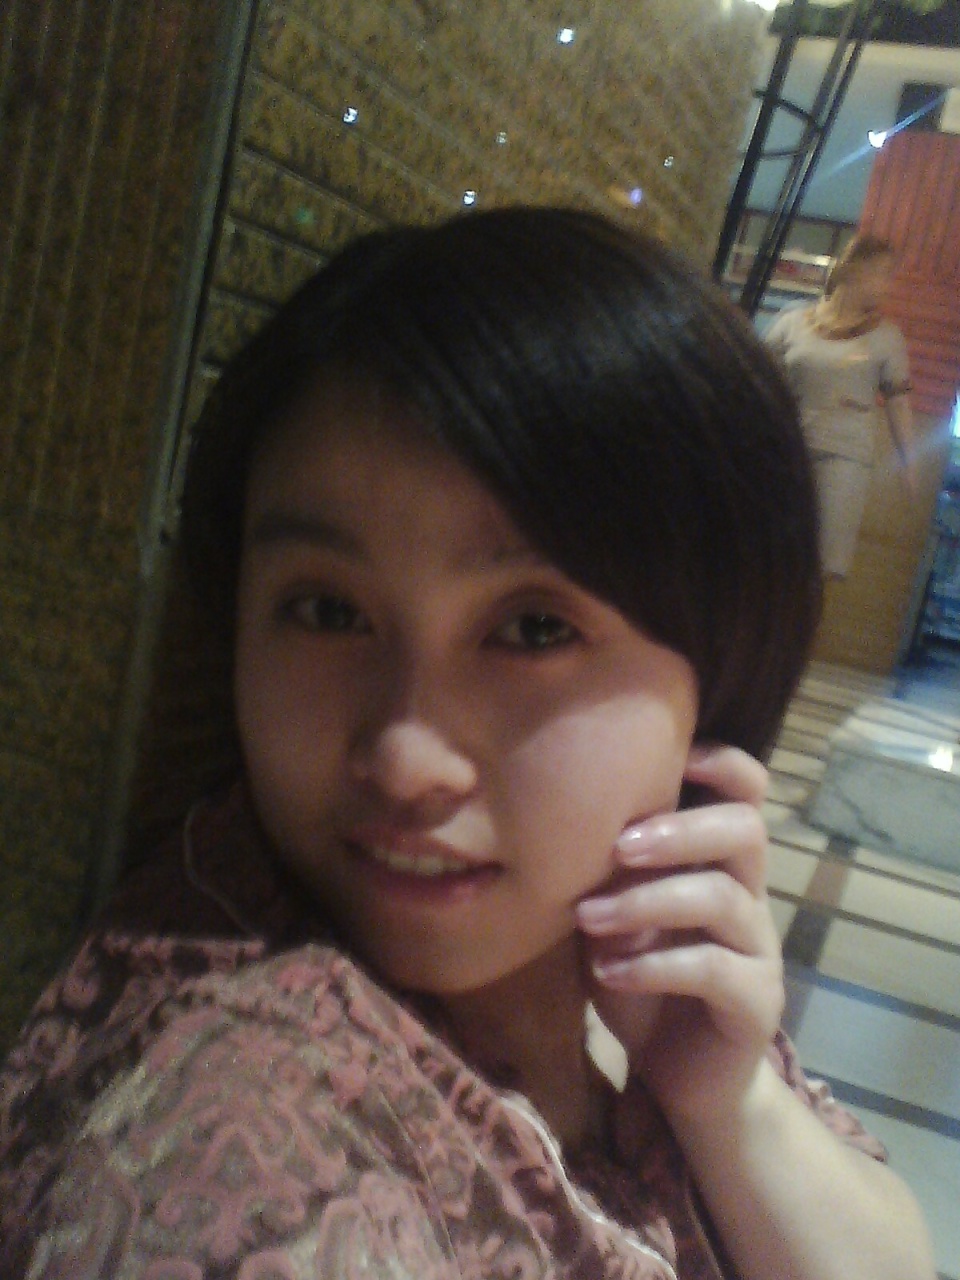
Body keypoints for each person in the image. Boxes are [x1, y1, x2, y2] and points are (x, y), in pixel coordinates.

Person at [0, 207, 935, 1280]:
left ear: (715, 677)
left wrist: (731, 1101)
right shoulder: (252, 1134)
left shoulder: (644, 942)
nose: (404, 761)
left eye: (534, 629)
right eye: (326, 611)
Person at [764, 233, 917, 579]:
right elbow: (758, 379)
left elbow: (898, 402)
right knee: (773, 553)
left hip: (844, 457)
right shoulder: (793, 321)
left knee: (822, 564)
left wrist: (908, 461)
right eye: (882, 273)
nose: (886, 286)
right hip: (786, 451)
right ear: (854, 270)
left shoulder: (886, 337)